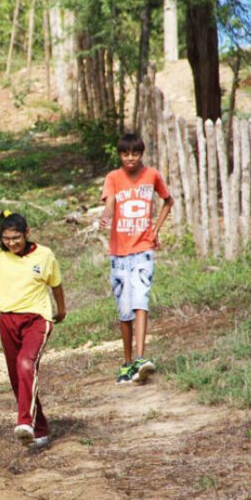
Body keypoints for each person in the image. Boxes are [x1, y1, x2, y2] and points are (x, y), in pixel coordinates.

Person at [0, 211, 65, 448]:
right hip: (7, 320)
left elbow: (56, 285)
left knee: (26, 364)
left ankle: (25, 422)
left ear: (27, 234)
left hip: (37, 319)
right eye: (6, 238)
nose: (11, 243)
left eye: (16, 238)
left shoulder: (44, 255)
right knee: (18, 377)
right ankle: (39, 429)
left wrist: (61, 310)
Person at [99, 133, 174, 385]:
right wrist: (106, 215)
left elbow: (167, 200)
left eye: (135, 153)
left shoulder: (151, 175)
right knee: (125, 312)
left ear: (141, 154)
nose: (130, 158)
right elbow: (110, 202)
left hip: (143, 250)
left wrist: (156, 229)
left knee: (141, 302)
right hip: (119, 255)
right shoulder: (113, 178)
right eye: (125, 154)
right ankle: (127, 363)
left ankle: (141, 358)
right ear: (120, 155)